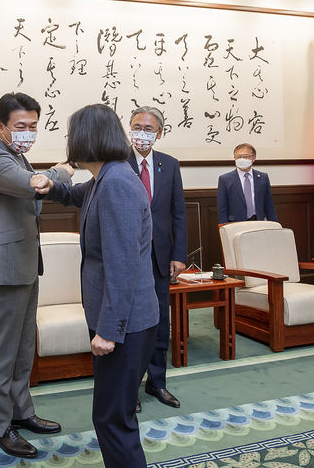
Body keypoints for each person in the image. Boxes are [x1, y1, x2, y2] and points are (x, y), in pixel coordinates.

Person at [32, 104, 159, 468]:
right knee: (114, 417)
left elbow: (123, 267)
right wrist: (51, 186)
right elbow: (76, 195)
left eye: (72, 135)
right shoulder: (107, 177)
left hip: (125, 324)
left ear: (88, 138)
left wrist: (108, 330)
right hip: (125, 321)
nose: (70, 141)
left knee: (112, 420)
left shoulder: (116, 183)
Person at [0, 92, 72, 459]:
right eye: (21, 126)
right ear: (1, 126)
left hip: (26, 263)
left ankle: (22, 411)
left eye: (33, 126)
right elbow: (36, 186)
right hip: (5, 268)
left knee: (22, 349)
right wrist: (65, 168)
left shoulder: (16, 154)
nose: (28, 132)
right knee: (3, 351)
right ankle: (0, 428)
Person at [126, 106, 186, 412]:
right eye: (137, 126)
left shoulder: (169, 164)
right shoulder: (118, 164)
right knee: (132, 324)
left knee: (161, 322)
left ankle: (157, 382)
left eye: (148, 128)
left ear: (159, 133)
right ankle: (129, 386)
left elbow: (178, 213)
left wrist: (179, 255)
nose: (142, 133)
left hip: (161, 256)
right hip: (129, 257)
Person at [216, 143, 278, 223]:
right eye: (238, 157)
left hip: (258, 222)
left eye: (245, 156)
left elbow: (269, 206)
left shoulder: (263, 177)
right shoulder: (225, 179)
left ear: (254, 158)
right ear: (234, 158)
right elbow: (222, 209)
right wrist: (223, 229)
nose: (242, 159)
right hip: (235, 224)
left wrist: (274, 225)